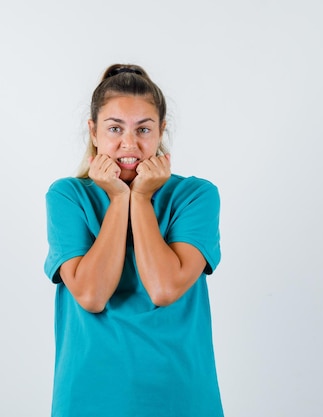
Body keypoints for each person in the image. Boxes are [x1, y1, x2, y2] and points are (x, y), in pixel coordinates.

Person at [44, 64, 224, 416]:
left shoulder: (195, 196)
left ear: (161, 132)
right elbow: (91, 296)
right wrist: (118, 199)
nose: (130, 143)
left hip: (180, 397)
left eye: (144, 128)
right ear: (94, 132)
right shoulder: (67, 196)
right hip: (89, 397)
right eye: (115, 128)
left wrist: (140, 199)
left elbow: (164, 289)